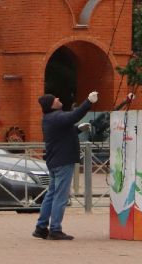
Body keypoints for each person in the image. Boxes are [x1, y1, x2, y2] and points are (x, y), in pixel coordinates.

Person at [32, 89, 97, 241]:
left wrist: (77, 130)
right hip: (63, 162)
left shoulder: (49, 118)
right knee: (60, 196)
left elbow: (62, 132)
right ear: (52, 105)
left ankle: (41, 227)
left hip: (54, 161)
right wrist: (88, 102)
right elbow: (74, 115)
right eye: (55, 99)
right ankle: (55, 229)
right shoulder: (57, 116)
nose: (58, 98)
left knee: (51, 194)